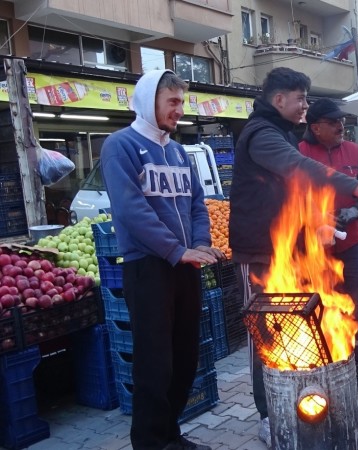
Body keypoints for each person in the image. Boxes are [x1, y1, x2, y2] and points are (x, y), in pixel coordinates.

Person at [228, 67, 358, 446]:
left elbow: (293, 193)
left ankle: (297, 400)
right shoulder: (261, 134)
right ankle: (268, 414)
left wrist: (318, 219)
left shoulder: (282, 132)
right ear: (279, 99)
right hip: (259, 253)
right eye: (300, 98)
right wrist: (355, 186)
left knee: (291, 329)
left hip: (288, 251)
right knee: (264, 334)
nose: (305, 105)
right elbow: (299, 167)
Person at [100, 69, 223, 450]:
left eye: (181, 102)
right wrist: (175, 250)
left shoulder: (179, 152)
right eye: (172, 102)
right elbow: (131, 210)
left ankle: (171, 435)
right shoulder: (120, 146)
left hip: (186, 266)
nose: (179, 110)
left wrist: (199, 244)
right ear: (148, 101)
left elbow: (197, 203)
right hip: (148, 268)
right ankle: (150, 443)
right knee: (155, 363)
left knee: (185, 357)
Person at [298, 98, 358, 399]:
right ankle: (320, 368)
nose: (340, 126)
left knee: (356, 308)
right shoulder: (298, 153)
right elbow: (290, 198)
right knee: (318, 309)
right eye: (333, 122)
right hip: (313, 250)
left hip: (349, 245)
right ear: (315, 127)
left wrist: (354, 212)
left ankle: (351, 369)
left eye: (341, 121)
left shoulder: (355, 152)